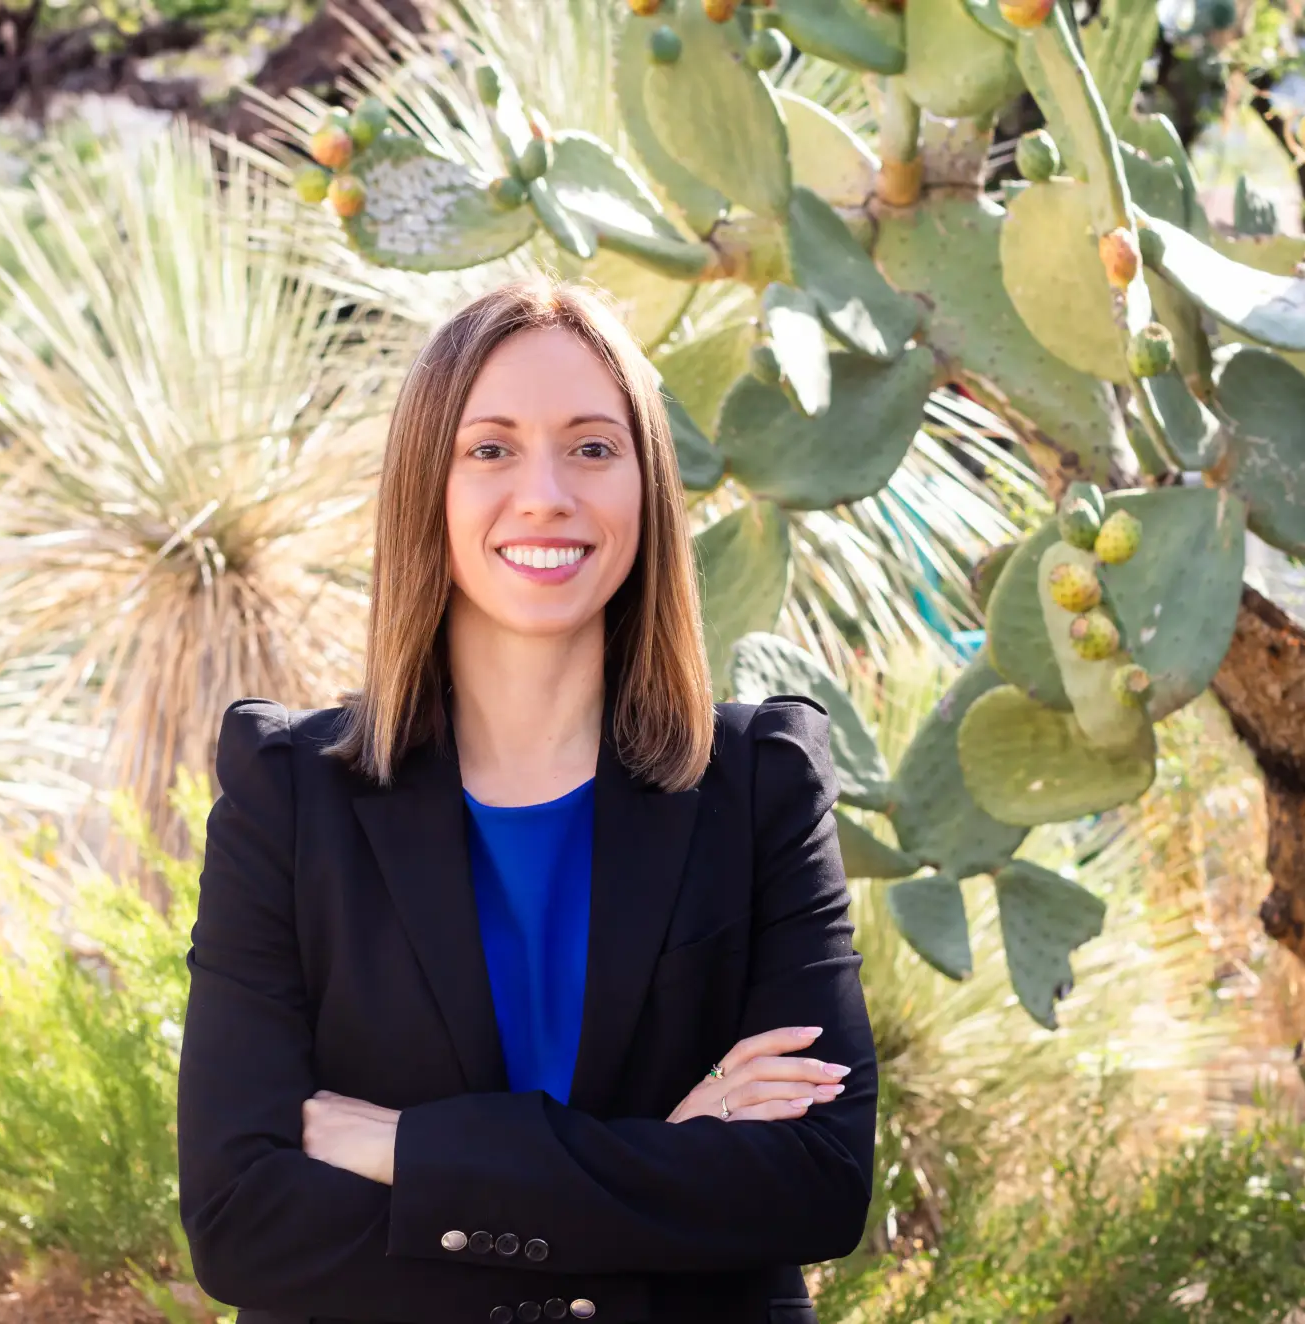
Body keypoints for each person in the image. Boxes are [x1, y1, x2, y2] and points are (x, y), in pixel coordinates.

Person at [177, 276, 879, 1324]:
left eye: (594, 448)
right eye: (491, 448)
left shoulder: (758, 787)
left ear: (646, 488)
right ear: (429, 486)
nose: (546, 493)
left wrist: (412, 1151)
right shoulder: (289, 799)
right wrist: (668, 1172)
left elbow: (816, 1183)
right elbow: (243, 1223)